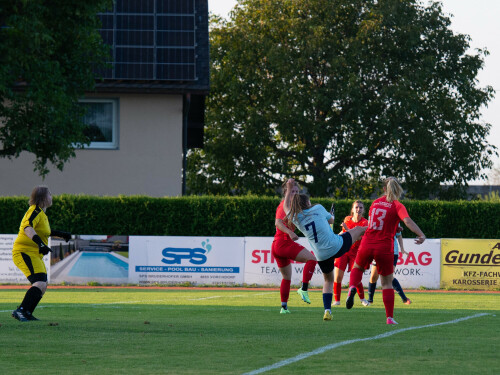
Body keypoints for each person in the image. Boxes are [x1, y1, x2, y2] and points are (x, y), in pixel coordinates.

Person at [345, 177, 425, 325]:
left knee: (358, 268)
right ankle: (389, 318)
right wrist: (421, 234)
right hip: (384, 246)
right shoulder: (397, 205)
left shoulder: (375, 203)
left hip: (367, 242)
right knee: (387, 283)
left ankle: (351, 288)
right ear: (398, 190)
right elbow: (407, 221)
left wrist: (395, 227)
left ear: (383, 189)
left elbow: (376, 223)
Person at [283, 178, 367, 321]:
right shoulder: (318, 208)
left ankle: (327, 310)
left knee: (328, 280)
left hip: (321, 255)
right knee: (359, 229)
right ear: (308, 203)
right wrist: (329, 215)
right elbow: (332, 220)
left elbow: (286, 207)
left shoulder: (297, 218)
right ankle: (379, 229)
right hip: (337, 245)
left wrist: (289, 188)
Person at [11, 186, 71, 322]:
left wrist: (62, 234)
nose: (52, 197)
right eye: (50, 195)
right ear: (43, 198)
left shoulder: (42, 214)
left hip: (34, 254)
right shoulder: (34, 211)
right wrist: (41, 244)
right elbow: (27, 227)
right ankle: (20, 311)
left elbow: (46, 232)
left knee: (43, 283)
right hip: (23, 251)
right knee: (38, 281)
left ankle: (26, 312)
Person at [272, 180, 318, 314]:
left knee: (286, 277)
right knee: (312, 259)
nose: (296, 194)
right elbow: (278, 223)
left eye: (297, 191)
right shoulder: (284, 206)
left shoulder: (294, 207)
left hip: (277, 246)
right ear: (286, 192)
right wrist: (290, 232)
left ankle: (284, 307)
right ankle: (303, 289)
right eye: (293, 191)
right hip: (283, 243)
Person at [333, 200, 370, 307]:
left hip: (357, 252)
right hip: (344, 249)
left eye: (361, 208)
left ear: (363, 210)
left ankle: (362, 299)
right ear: (352, 209)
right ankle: (337, 301)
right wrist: (335, 237)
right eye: (356, 207)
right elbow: (343, 233)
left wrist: (347, 228)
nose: (358, 209)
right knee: (338, 277)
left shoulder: (365, 223)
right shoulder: (347, 219)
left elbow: (357, 238)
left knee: (356, 278)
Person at [367, 225, 412, 305]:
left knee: (389, 277)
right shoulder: (377, 217)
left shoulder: (395, 218)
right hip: (378, 250)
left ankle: (404, 299)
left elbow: (399, 235)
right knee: (374, 276)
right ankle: (370, 300)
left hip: (392, 251)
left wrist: (402, 249)